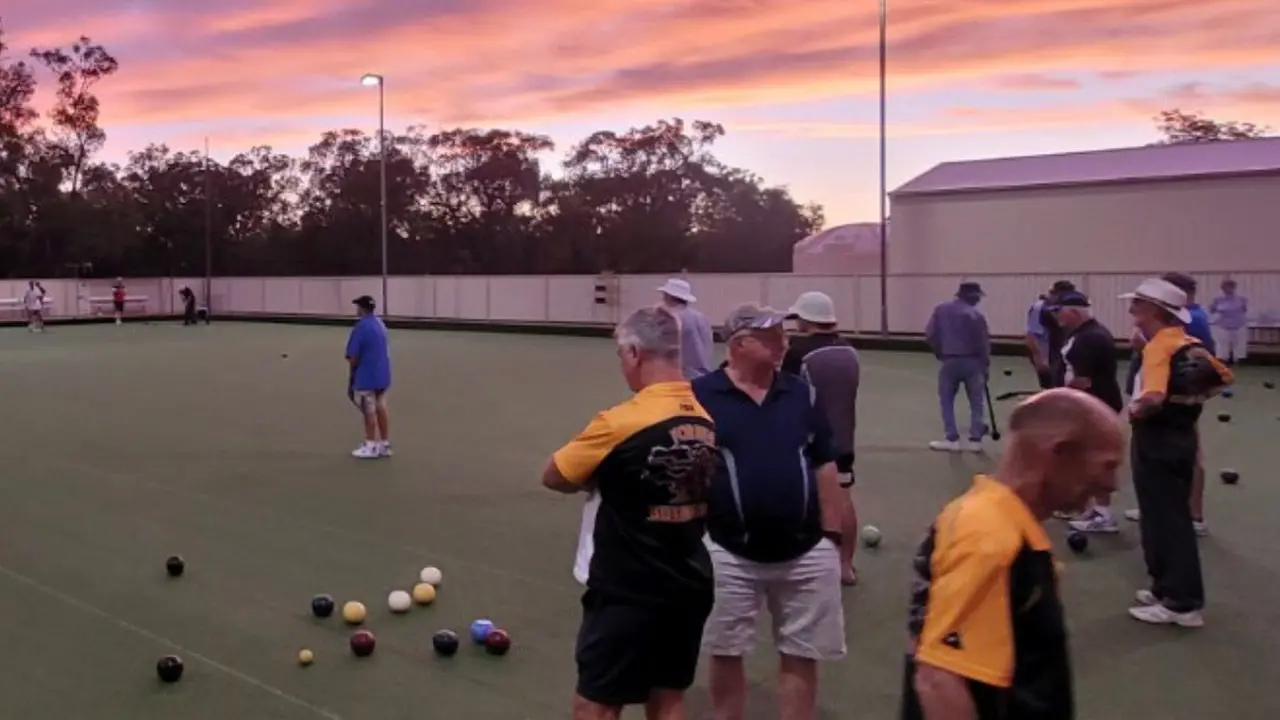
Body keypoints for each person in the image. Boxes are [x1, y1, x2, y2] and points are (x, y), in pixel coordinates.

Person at [901, 388, 1125, 720]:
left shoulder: (998, 523)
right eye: (1106, 466)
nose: (1113, 484)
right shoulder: (991, 538)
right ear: (1060, 453)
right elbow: (939, 681)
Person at [545, 306, 716, 720]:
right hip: (689, 581)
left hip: (628, 588)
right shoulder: (706, 416)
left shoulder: (620, 422)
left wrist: (597, 479)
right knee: (668, 694)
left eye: (622, 356)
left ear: (636, 353)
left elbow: (555, 475)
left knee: (597, 702)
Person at [693, 303, 846, 720]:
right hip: (728, 550)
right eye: (773, 335)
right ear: (740, 344)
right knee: (726, 650)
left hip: (806, 550)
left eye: (784, 333)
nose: (784, 341)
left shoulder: (801, 391)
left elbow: (824, 462)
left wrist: (831, 538)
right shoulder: (700, 395)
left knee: (802, 652)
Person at [1121, 278, 1232, 627]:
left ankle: (1182, 603)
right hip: (1181, 436)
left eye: (1137, 304)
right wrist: (1185, 402)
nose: (1131, 310)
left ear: (1155, 310)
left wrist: (1132, 414)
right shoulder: (1187, 342)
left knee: (1165, 519)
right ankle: (1164, 588)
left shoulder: (1159, 347)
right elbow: (1222, 378)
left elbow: (1152, 397)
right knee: (1167, 515)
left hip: (1156, 439)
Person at [1125, 272, 1216, 536]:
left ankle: (1193, 514)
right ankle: (1165, 507)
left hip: (1170, 406)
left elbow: (1196, 365)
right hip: (1162, 397)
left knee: (1191, 454)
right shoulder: (1179, 323)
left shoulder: (1191, 321)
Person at [782, 290, 861, 586]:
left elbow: (785, 393)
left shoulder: (798, 353)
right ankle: (846, 565)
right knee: (843, 498)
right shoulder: (849, 350)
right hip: (844, 439)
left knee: (806, 501)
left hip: (808, 440)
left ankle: (802, 562)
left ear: (806, 319)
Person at [1044, 292, 1124, 533]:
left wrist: (1056, 398)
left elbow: (1083, 380)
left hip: (1093, 407)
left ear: (1074, 312)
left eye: (1060, 311)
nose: (1056, 316)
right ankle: (1091, 507)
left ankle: (1102, 514)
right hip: (1091, 406)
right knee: (1083, 459)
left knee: (1096, 461)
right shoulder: (1085, 333)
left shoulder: (1090, 338)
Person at [925, 281, 990, 452]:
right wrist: (985, 366)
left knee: (946, 400)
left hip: (950, 360)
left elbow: (930, 334)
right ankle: (976, 440)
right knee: (976, 401)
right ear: (973, 297)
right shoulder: (976, 316)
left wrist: (940, 352)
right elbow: (983, 344)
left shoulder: (941, 310)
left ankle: (951, 438)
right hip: (973, 362)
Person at [345, 295, 392, 459]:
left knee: (368, 409)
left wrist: (352, 376)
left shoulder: (361, 327)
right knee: (381, 406)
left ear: (362, 309)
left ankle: (371, 445)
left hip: (367, 375)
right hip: (383, 374)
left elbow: (352, 356)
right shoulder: (380, 323)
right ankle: (384, 444)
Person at [656, 278, 713, 380]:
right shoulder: (702, 318)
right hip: (703, 377)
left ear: (669, 296)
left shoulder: (671, 319)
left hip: (681, 377)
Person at [1025, 280, 1075, 388]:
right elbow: (1031, 336)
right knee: (1050, 387)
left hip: (1061, 353)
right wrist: (1040, 360)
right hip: (1046, 354)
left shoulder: (1066, 307)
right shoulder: (1039, 308)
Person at [1208, 277, 1249, 364]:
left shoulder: (1241, 298)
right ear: (1222, 288)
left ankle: (1239, 360)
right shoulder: (1217, 299)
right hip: (1223, 324)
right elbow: (1212, 310)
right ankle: (1223, 360)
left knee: (1239, 344)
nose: (1229, 288)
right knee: (1222, 344)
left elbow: (1244, 309)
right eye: (1226, 286)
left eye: (1231, 286)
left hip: (1238, 324)